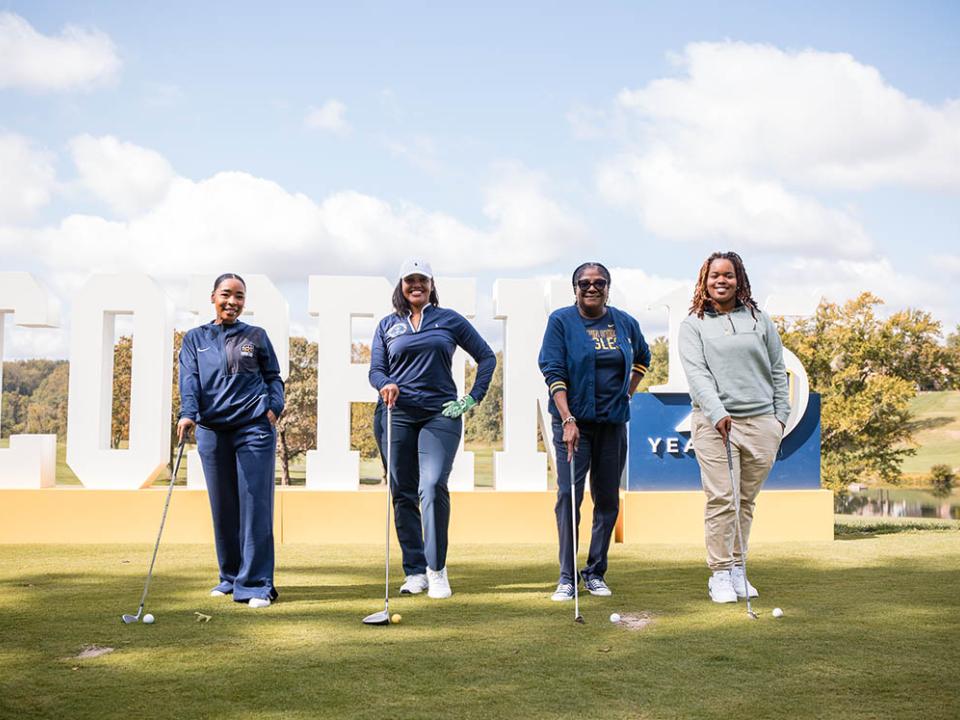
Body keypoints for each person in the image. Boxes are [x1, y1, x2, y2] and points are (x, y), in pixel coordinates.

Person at [369, 258, 496, 599]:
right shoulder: (387, 325)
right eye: (410, 280)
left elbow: (487, 357)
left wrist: (471, 399)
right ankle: (415, 571)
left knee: (433, 484)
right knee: (403, 491)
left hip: (441, 413)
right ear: (400, 284)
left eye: (422, 280)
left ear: (431, 284)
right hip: (395, 414)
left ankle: (436, 569)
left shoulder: (448, 319)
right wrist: (385, 384)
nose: (416, 285)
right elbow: (376, 370)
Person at [678, 251, 789, 604]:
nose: (721, 281)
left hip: (762, 424)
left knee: (745, 501)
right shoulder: (693, 324)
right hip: (716, 424)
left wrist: (780, 417)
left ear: (738, 279)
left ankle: (740, 569)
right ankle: (721, 574)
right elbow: (697, 375)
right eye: (714, 276)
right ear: (704, 280)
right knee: (722, 499)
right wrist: (717, 412)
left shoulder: (759, 320)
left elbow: (776, 370)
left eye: (728, 275)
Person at [538, 262, 651, 601]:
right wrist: (568, 419)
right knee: (568, 498)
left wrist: (625, 395)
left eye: (599, 282)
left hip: (613, 424)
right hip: (574, 424)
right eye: (584, 282)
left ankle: (595, 572)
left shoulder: (625, 323)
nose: (592, 287)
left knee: (607, 500)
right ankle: (566, 577)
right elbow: (552, 369)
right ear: (574, 288)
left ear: (608, 286)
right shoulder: (561, 321)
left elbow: (642, 359)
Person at [177, 273, 285, 608]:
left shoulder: (256, 335)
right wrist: (188, 413)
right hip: (212, 431)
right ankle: (230, 577)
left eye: (239, 296)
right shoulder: (195, 339)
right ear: (213, 297)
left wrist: (273, 407)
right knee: (223, 507)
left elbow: (273, 377)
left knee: (255, 506)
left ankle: (255, 585)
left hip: (253, 428)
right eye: (227, 294)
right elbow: (190, 380)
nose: (233, 302)